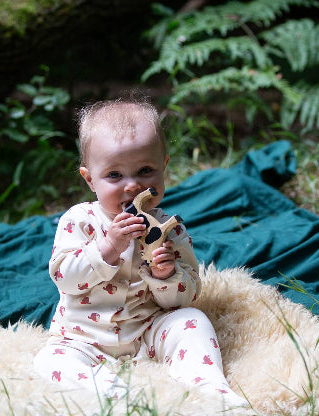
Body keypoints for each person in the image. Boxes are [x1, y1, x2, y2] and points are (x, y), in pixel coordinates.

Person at [33, 97, 245, 408]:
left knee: (191, 320)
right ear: (90, 179)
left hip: (147, 333)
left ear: (164, 169)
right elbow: (64, 277)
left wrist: (166, 275)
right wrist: (108, 247)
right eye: (115, 175)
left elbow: (185, 297)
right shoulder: (79, 221)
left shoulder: (169, 228)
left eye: (145, 170)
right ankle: (122, 400)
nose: (132, 186)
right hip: (83, 340)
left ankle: (212, 394)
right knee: (48, 362)